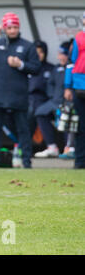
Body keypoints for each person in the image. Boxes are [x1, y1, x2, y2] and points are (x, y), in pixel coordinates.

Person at [0, 12, 41, 168]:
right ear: (4, 28)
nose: (12, 30)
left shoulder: (27, 46)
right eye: (9, 27)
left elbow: (36, 68)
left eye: (15, 27)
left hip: (18, 95)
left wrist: (20, 64)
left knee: (23, 129)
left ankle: (27, 161)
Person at [34, 41, 73, 158]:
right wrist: (52, 97)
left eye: (64, 54)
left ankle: (69, 147)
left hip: (69, 103)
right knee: (40, 112)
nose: (61, 57)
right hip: (54, 101)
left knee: (66, 116)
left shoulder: (73, 68)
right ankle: (51, 146)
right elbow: (50, 85)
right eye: (60, 54)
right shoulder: (56, 69)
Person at [64, 11, 85, 169]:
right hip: (80, 87)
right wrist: (67, 86)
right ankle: (80, 161)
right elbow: (71, 63)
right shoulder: (78, 39)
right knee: (80, 127)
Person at [27, 40, 55, 139]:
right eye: (36, 52)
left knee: (35, 109)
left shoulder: (51, 69)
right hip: (27, 100)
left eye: (41, 52)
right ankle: (21, 144)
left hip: (45, 100)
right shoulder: (27, 68)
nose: (38, 55)